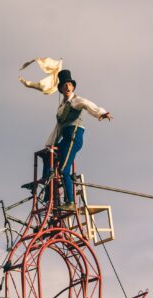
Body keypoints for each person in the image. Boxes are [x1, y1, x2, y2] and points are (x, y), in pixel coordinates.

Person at [43, 69, 113, 210]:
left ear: (73, 87)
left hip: (74, 138)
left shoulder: (76, 101)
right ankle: (46, 189)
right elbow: (58, 128)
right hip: (65, 138)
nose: (67, 87)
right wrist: (49, 145)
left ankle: (70, 202)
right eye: (64, 85)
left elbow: (89, 105)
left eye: (69, 84)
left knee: (63, 169)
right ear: (61, 89)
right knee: (48, 156)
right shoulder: (61, 107)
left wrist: (102, 113)